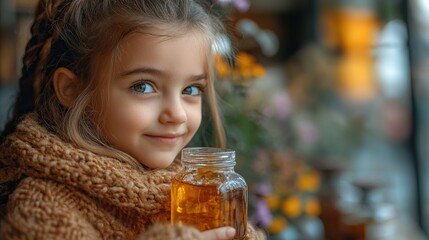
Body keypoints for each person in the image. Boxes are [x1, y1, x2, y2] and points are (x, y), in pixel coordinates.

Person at [0, 0, 265, 239]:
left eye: (191, 90)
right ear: (72, 89)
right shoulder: (45, 207)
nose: (177, 114)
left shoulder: (195, 195)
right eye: (143, 86)